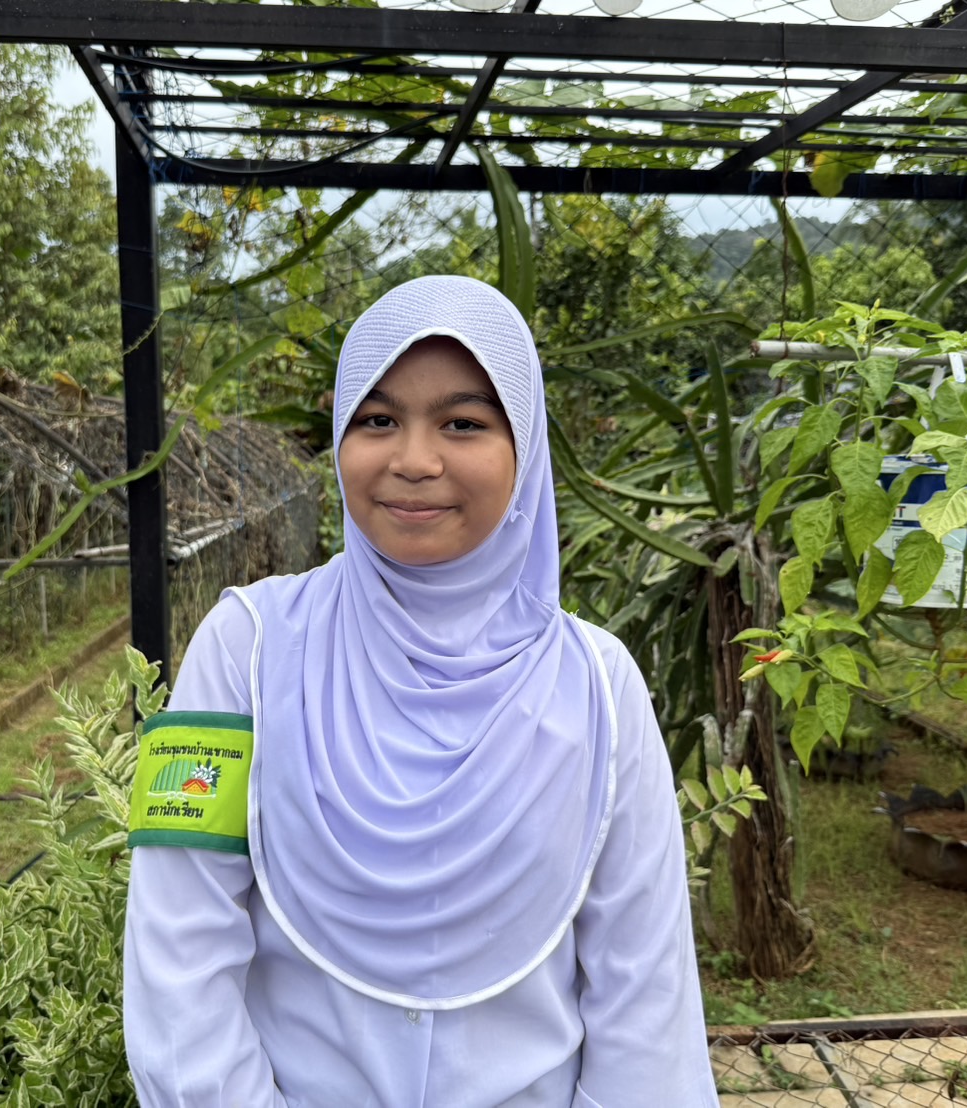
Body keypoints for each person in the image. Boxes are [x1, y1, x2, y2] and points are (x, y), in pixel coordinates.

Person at [122, 275, 719, 1107]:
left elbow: (643, 994)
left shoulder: (598, 685)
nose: (412, 460)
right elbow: (179, 948)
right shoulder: (245, 648)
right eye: (376, 420)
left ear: (524, 447)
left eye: (463, 423)